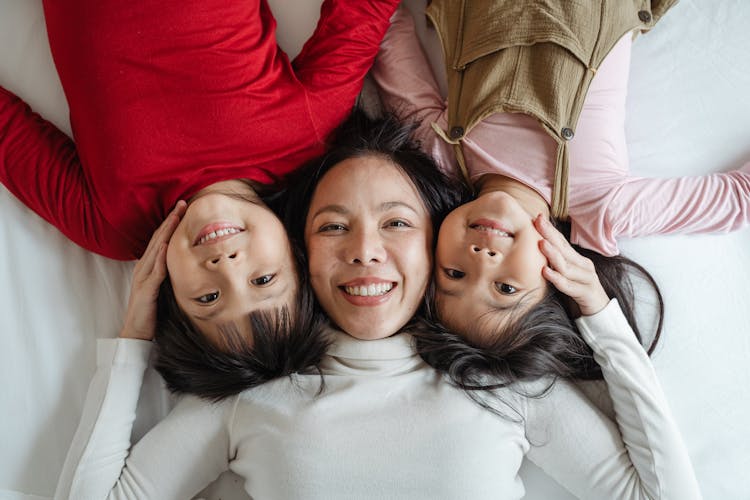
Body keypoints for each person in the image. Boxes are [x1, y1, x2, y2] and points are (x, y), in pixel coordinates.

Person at [54, 110, 700, 500]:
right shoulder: (254, 390)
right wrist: (135, 332)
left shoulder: (499, 383)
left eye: (396, 225)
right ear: (300, 256)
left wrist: (598, 316)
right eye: (333, 227)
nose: (365, 251)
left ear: (438, 243)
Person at [0, 0, 401, 381]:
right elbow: (361, 12)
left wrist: (137, 327)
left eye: (208, 299)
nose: (226, 264)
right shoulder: (307, 140)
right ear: (296, 253)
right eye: (263, 280)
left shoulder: (113, 225)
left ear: (170, 295)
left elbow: (6, 133)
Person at [372, 3, 750, 355]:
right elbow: (739, 198)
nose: (481, 259)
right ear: (555, 284)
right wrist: (593, 302)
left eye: (454, 274)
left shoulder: (439, 153)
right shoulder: (601, 204)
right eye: (505, 288)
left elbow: (384, 34)